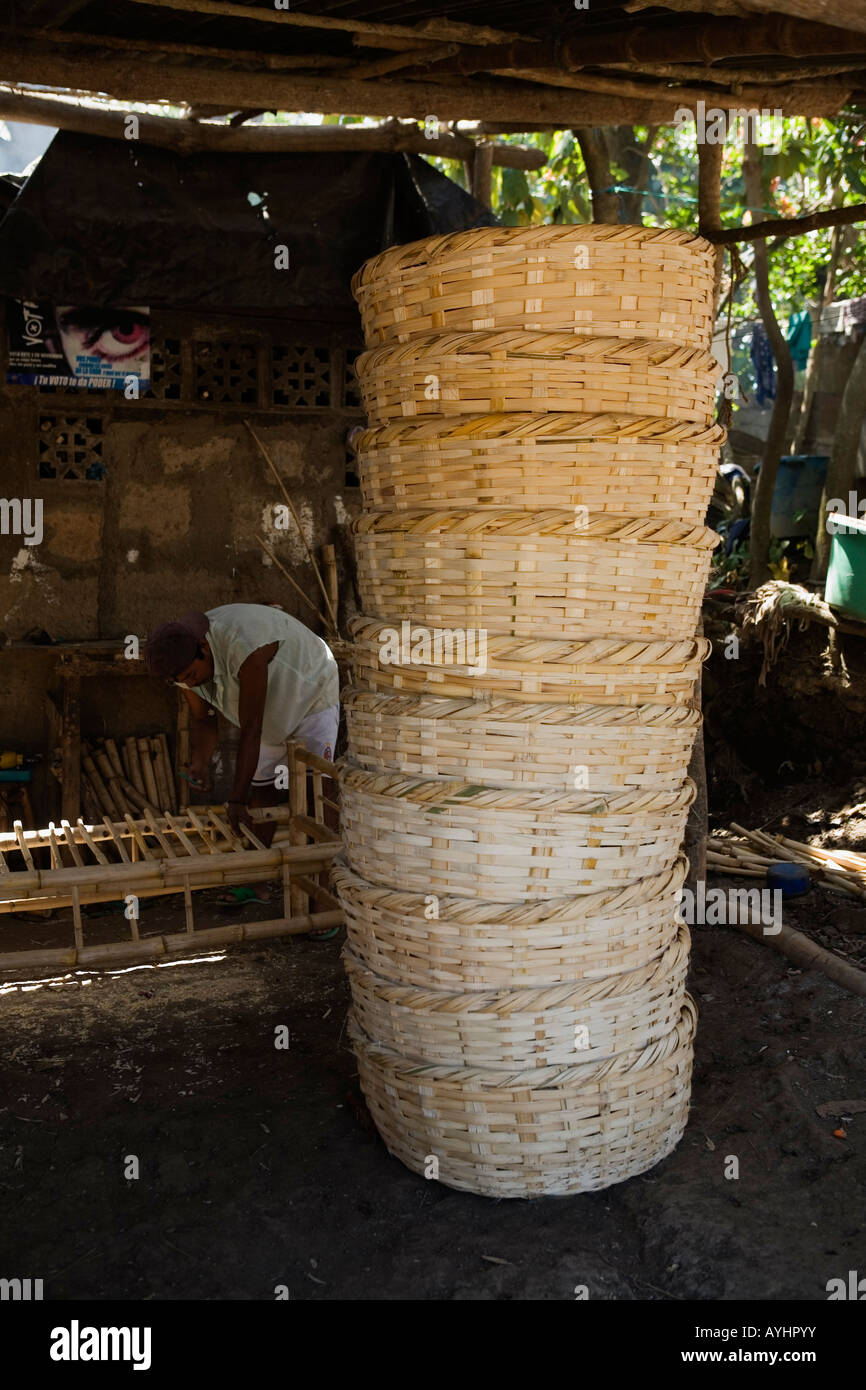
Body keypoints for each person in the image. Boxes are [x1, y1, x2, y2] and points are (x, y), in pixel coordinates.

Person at [145, 604, 340, 936]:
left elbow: (251, 728)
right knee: (263, 790)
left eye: (192, 676)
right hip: (269, 716)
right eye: (183, 682)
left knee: (317, 795)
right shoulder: (183, 663)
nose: (190, 683)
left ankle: (325, 894)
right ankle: (258, 881)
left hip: (310, 692)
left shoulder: (242, 645)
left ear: (204, 649)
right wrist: (201, 764)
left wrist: (235, 800)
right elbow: (204, 720)